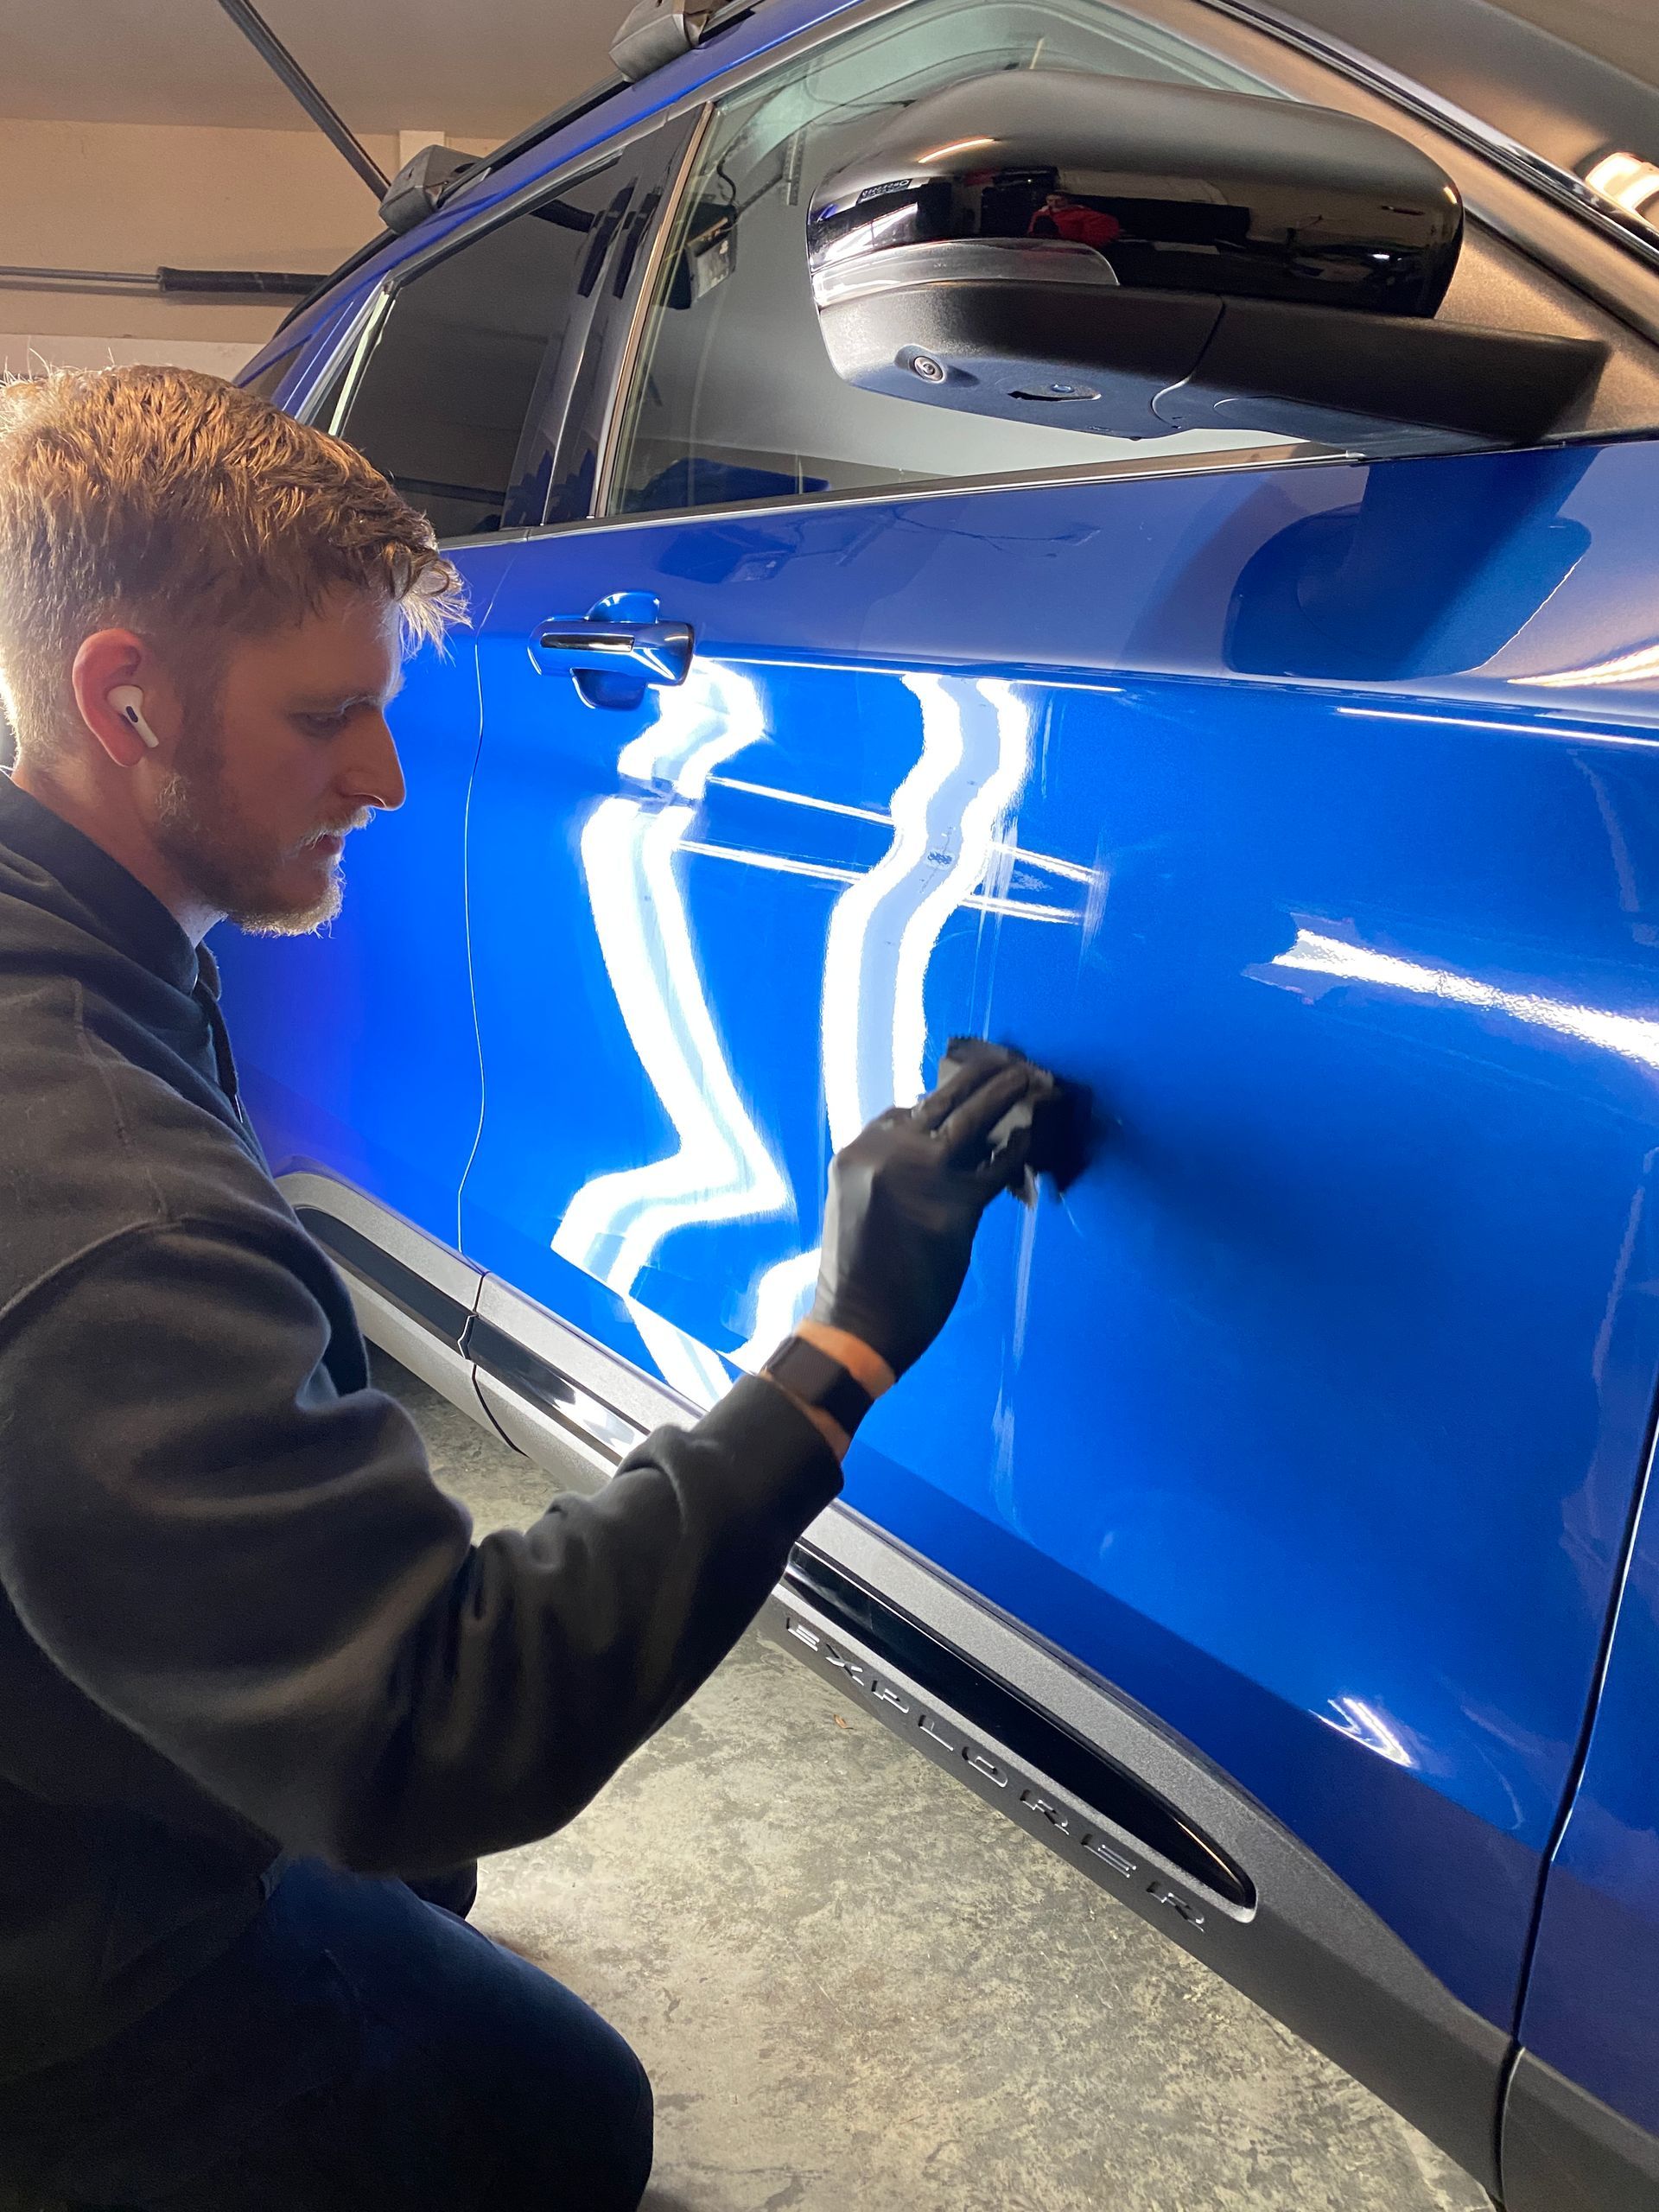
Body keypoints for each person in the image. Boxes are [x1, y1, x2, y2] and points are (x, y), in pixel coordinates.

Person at [0, 367, 1035, 2212]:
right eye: (327, 717)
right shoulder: (108, 1207)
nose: (387, 777)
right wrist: (842, 1337)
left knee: (405, 1888)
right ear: (120, 691)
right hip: (53, 1993)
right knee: (567, 2120)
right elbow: (437, 1723)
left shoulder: (65, 929)